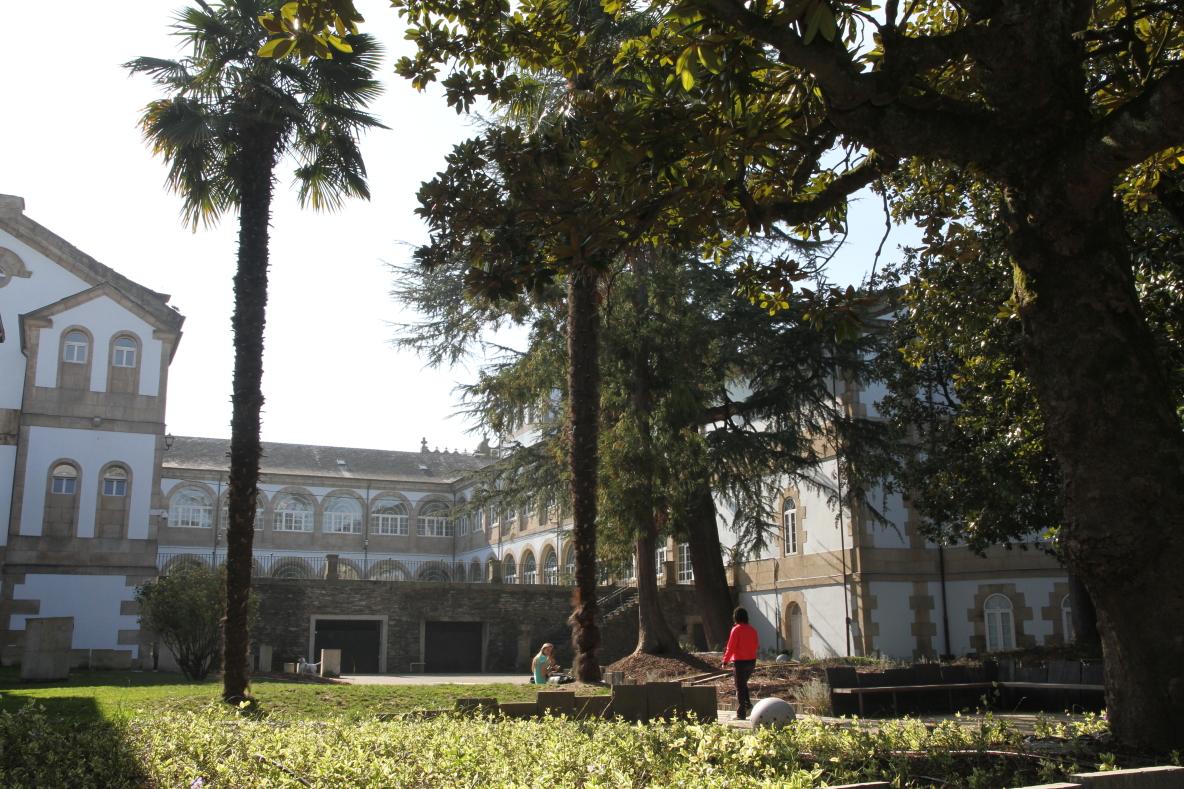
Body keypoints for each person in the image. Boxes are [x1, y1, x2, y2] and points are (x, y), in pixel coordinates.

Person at [722, 606, 759, 719]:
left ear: (736, 617)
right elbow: (757, 645)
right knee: (742, 684)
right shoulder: (752, 629)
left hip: (740, 662)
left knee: (739, 687)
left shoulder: (736, 629)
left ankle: (741, 713)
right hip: (751, 661)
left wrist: (725, 661)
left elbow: (731, 647)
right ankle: (748, 705)